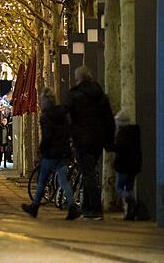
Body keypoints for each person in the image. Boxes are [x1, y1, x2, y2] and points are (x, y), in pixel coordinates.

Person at [21, 88, 81, 220]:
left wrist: (41, 149)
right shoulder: (63, 114)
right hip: (63, 152)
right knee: (64, 181)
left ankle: (34, 207)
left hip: (50, 153)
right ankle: (72, 207)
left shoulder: (46, 116)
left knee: (42, 180)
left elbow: (47, 136)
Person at [65, 65, 115, 220]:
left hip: (82, 140)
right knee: (90, 172)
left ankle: (95, 209)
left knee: (88, 174)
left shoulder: (74, 96)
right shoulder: (101, 95)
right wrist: (109, 140)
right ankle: (87, 208)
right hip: (98, 141)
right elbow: (109, 120)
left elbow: (65, 116)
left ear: (78, 79)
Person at [111, 109, 141, 220]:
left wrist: (111, 146)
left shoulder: (122, 134)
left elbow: (120, 148)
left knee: (119, 187)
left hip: (123, 165)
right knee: (129, 187)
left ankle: (130, 200)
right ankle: (130, 213)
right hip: (134, 166)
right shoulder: (135, 133)